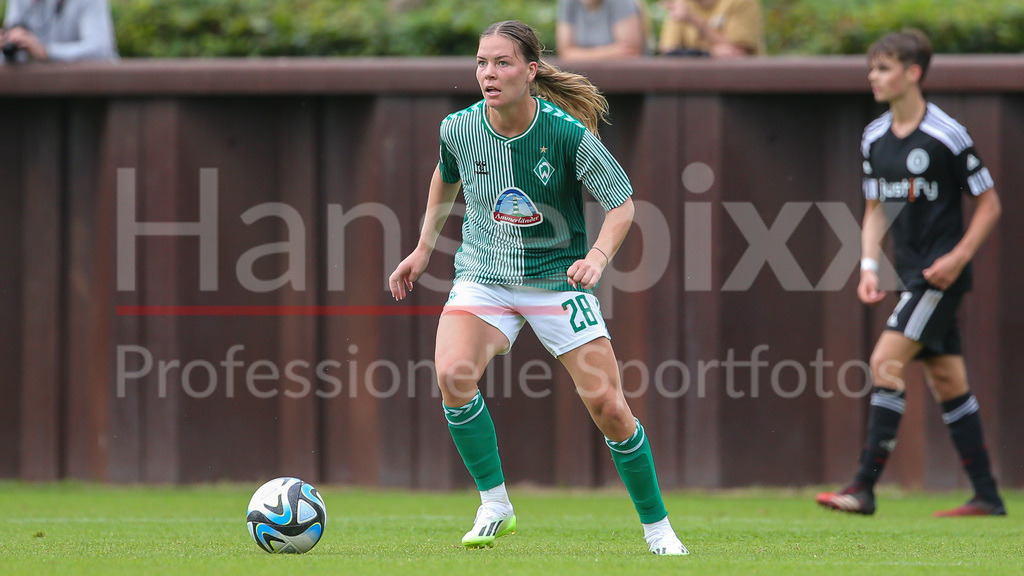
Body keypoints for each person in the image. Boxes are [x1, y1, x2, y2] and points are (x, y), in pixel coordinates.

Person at [389, 19, 689, 555]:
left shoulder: (566, 133)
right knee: (454, 374)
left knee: (610, 407)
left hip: (556, 282)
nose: (488, 73)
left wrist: (597, 257)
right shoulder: (457, 127)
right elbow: (445, 177)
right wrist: (421, 248)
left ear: (530, 71)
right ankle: (495, 503)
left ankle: (658, 530)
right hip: (483, 277)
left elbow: (622, 206)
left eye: (502, 63)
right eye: (481, 62)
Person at [816, 29, 1006, 517]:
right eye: (872, 68)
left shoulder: (947, 134)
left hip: (939, 278)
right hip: (907, 275)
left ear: (912, 73)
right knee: (948, 381)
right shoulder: (874, 137)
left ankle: (864, 486)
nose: (872, 77)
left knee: (885, 362)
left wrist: (960, 256)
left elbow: (989, 203)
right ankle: (987, 496)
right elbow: (875, 207)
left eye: (882, 68)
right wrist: (868, 265)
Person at [1, 0, 117, 64]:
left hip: (88, 90)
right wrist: (7, 45)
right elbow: (12, 49)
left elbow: (100, 50)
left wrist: (46, 52)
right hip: (37, 91)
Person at [658, 0, 764, 57]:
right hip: (694, 83)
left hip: (741, 83)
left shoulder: (741, 2)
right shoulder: (682, 3)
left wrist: (694, 20)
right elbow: (669, 51)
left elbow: (737, 54)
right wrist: (708, 54)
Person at [556, 0, 647, 60]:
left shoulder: (622, 2)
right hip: (581, 80)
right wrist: (609, 53)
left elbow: (629, 51)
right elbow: (564, 53)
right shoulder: (568, 3)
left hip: (623, 79)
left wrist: (579, 55)